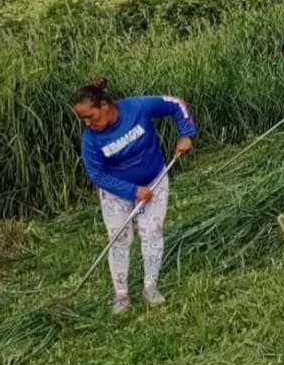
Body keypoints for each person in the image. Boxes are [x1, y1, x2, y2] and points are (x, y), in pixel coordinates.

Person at [73, 78, 196, 314]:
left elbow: (175, 104)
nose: (88, 123)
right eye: (83, 120)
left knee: (152, 231)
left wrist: (186, 133)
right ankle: (121, 295)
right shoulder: (90, 141)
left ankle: (151, 287)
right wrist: (133, 192)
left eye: (91, 116)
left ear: (105, 106)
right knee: (119, 237)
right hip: (117, 192)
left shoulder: (138, 107)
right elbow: (97, 175)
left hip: (154, 180)